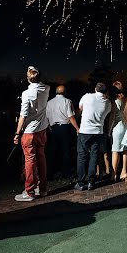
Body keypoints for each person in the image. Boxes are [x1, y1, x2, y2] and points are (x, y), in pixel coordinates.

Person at [14, 66, 50, 202]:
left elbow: (23, 115)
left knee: (30, 161)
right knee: (41, 158)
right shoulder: (46, 88)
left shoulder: (26, 94)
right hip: (42, 130)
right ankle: (43, 188)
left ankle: (29, 192)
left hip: (30, 131)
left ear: (28, 79)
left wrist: (17, 133)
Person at [74, 82, 111, 192]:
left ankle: (80, 182)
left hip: (85, 130)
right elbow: (107, 113)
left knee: (82, 156)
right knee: (94, 156)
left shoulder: (87, 96)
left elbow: (80, 107)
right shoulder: (108, 103)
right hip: (98, 131)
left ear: (95, 89)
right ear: (105, 92)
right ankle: (91, 182)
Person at [46, 85, 78, 179]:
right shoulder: (67, 101)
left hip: (53, 128)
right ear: (65, 92)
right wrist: (77, 127)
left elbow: (47, 117)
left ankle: (50, 173)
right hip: (64, 128)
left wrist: (49, 127)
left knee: (52, 151)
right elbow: (70, 116)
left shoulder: (49, 102)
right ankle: (66, 173)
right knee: (66, 151)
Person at [110, 81, 127, 182]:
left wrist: (109, 130)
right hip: (125, 126)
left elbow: (112, 118)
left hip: (117, 127)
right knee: (124, 150)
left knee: (115, 151)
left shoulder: (115, 101)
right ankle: (124, 171)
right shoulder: (126, 100)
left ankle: (114, 174)